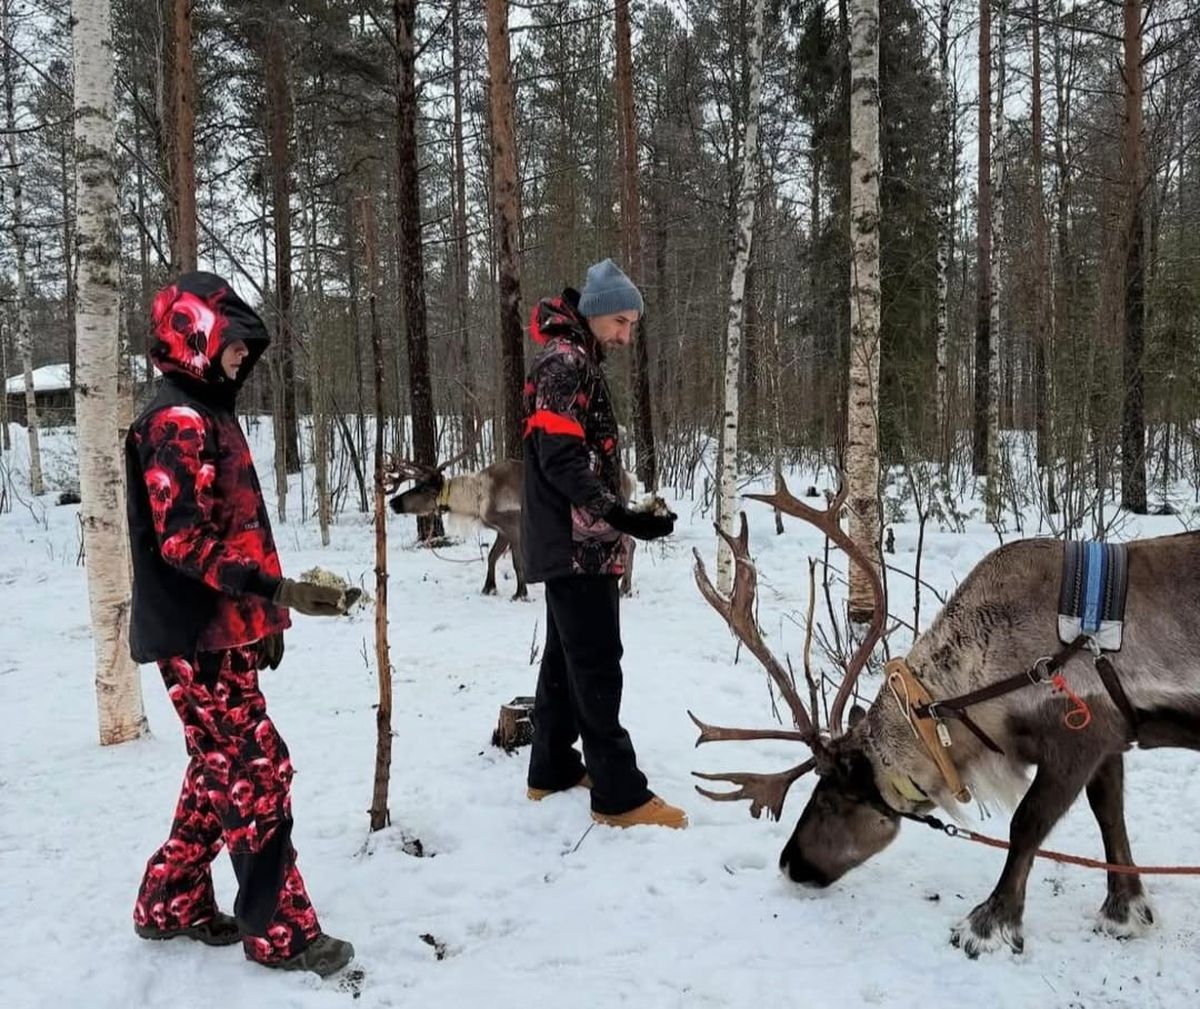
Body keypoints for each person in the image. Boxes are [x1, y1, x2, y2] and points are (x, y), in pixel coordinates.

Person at [125, 272, 358, 977]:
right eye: (230, 345)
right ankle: (281, 931)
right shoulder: (174, 421)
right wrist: (276, 588)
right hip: (194, 637)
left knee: (215, 767)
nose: (240, 359)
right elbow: (185, 541)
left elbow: (239, 526)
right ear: (193, 335)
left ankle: (170, 900)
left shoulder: (208, 411)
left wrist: (265, 615)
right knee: (258, 770)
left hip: (226, 632)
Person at [521, 259, 687, 829]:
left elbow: (574, 457)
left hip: (572, 537)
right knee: (596, 662)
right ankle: (619, 795)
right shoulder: (565, 363)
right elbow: (561, 459)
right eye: (619, 322)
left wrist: (624, 516)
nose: (625, 335)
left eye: (632, 324)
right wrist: (619, 514)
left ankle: (552, 767)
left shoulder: (573, 358)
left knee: (566, 657)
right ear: (592, 315)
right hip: (576, 543)